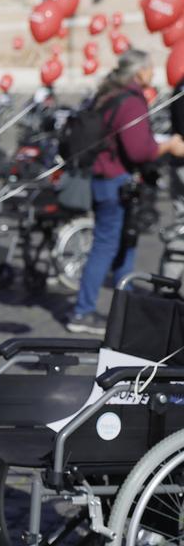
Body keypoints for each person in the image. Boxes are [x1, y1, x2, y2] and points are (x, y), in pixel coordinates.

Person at [67, 49, 184, 334]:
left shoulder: (109, 93)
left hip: (105, 177)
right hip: (115, 182)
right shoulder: (131, 101)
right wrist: (168, 146)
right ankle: (83, 312)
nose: (153, 72)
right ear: (139, 71)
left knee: (124, 246)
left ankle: (127, 308)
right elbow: (139, 150)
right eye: (150, 67)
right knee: (106, 246)